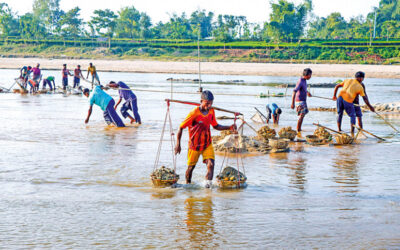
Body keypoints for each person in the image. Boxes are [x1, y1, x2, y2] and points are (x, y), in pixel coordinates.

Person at [174, 90, 236, 188]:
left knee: (211, 164)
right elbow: (181, 127)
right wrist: (178, 144)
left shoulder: (211, 111)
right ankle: (188, 185)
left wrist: (229, 127)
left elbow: (216, 126)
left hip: (207, 144)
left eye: (211, 103)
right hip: (194, 145)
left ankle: (208, 188)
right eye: (207, 103)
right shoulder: (194, 113)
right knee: (190, 168)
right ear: (201, 101)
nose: (209, 106)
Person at [291, 68, 312, 132]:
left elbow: (304, 89)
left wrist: (307, 92)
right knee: (301, 115)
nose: (310, 77)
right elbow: (294, 91)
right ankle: (298, 129)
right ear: (307, 75)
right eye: (310, 75)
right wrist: (292, 103)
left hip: (303, 101)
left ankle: (299, 128)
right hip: (300, 101)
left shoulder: (304, 80)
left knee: (302, 115)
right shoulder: (300, 81)